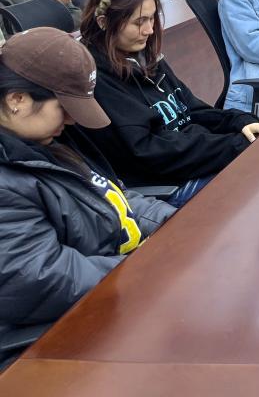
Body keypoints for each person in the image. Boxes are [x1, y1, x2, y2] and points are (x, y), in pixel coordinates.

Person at [0, 27, 174, 367]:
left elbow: (110, 195)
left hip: (108, 297)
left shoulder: (39, 143)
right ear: (17, 100)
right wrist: (147, 270)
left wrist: (179, 228)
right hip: (53, 342)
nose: (70, 120)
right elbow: (42, 277)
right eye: (63, 107)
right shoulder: (10, 177)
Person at [79, 0, 259, 207]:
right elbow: (152, 152)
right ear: (104, 22)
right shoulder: (97, 80)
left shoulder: (144, 57)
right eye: (139, 22)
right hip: (168, 184)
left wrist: (239, 122)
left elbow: (191, 110)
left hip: (191, 162)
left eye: (151, 19)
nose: (149, 30)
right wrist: (233, 146)